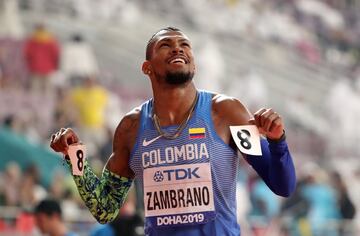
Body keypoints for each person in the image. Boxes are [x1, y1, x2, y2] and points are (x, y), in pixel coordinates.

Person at [50, 27, 296, 236]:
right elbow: (105, 208)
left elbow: (282, 186)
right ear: (147, 68)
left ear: (194, 63)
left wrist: (278, 142)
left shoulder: (227, 113)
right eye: (165, 45)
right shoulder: (131, 128)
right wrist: (74, 157)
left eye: (184, 45)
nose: (178, 48)